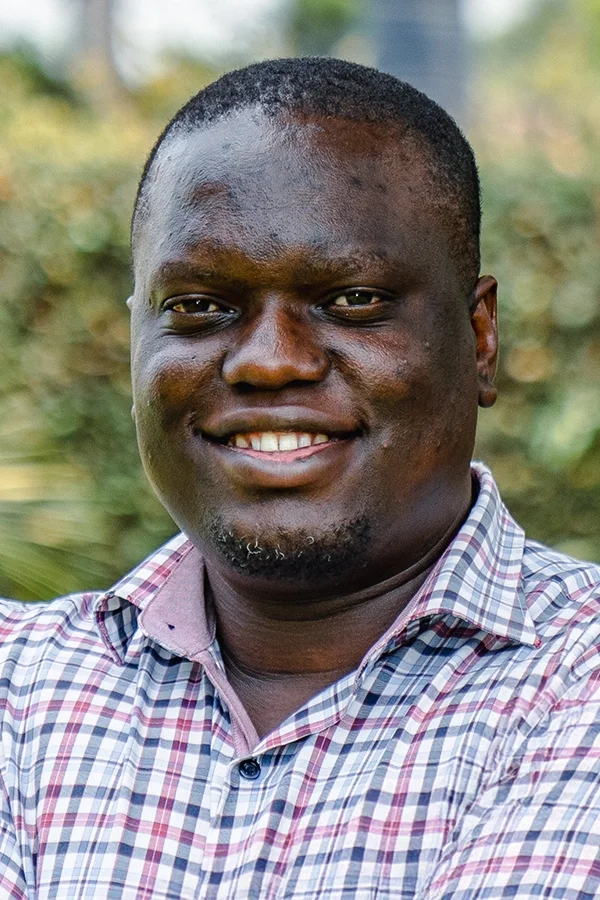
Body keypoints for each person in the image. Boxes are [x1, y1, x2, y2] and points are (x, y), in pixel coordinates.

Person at [0, 57, 599, 900]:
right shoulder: (18, 689)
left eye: (350, 299)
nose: (270, 362)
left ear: (481, 338)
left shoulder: (579, 685)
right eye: (201, 306)